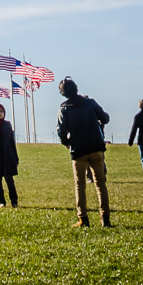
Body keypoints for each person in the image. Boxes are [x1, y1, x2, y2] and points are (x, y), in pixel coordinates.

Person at [56, 76, 111, 228]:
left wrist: (67, 143)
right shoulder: (90, 103)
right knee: (100, 184)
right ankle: (105, 218)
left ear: (63, 93)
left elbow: (61, 131)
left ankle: (83, 218)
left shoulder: (64, 109)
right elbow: (105, 118)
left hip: (78, 150)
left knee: (80, 185)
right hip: (96, 147)